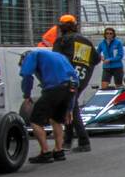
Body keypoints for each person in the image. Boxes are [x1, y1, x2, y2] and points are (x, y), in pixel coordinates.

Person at [19, 49, 78, 163]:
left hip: (54, 89)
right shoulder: (59, 56)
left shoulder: (32, 55)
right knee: (56, 120)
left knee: (35, 120)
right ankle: (59, 151)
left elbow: (27, 75)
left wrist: (26, 95)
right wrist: (70, 108)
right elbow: (75, 79)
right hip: (69, 88)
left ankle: (45, 152)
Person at [53, 18, 99, 153]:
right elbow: (96, 59)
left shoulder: (62, 41)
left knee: (71, 108)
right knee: (69, 106)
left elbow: (55, 60)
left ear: (61, 27)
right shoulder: (85, 41)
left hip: (66, 78)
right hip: (81, 77)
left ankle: (83, 141)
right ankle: (68, 140)